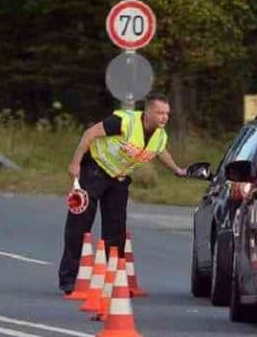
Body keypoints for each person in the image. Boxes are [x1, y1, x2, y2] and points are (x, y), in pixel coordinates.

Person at [58, 93, 187, 295]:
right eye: (160, 113)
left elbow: (160, 151)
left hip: (119, 178)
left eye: (167, 114)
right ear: (147, 112)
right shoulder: (124, 121)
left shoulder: (160, 135)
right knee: (80, 225)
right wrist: (75, 163)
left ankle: (113, 281)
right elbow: (90, 133)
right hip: (95, 169)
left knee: (116, 230)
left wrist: (177, 170)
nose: (164, 117)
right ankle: (70, 279)